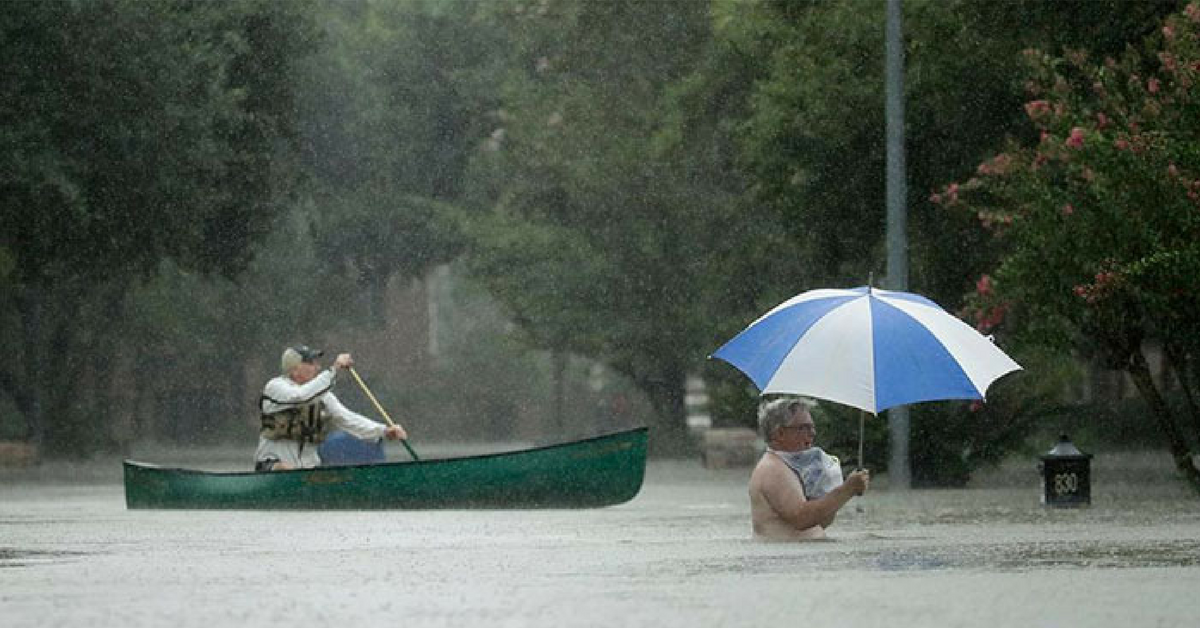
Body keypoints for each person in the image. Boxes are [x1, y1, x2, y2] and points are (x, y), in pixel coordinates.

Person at [255, 345, 407, 471]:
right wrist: (334, 369)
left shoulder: (322, 396)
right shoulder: (275, 387)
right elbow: (300, 396)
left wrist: (383, 431)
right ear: (294, 369)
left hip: (307, 472)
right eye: (312, 363)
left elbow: (347, 419)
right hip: (272, 467)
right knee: (284, 468)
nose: (318, 367)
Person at [748, 397, 869, 541]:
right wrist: (846, 490)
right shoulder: (772, 468)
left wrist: (830, 488)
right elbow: (801, 519)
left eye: (812, 427)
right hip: (786, 559)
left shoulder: (789, 466)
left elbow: (820, 523)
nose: (812, 433)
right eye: (803, 427)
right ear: (780, 433)